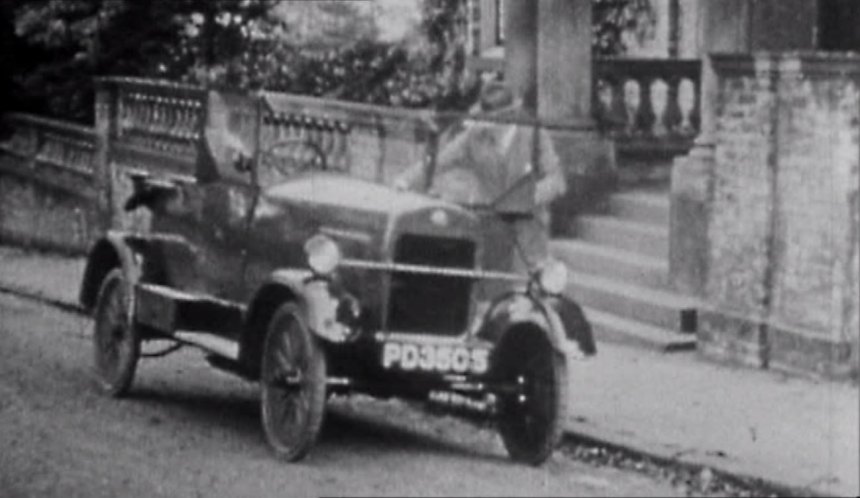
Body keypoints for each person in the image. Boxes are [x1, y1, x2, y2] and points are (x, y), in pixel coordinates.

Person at [394, 81, 567, 275]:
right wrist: (406, 180)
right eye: (484, 118)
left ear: (509, 117)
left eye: (491, 120)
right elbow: (440, 161)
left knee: (529, 294)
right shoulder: (474, 136)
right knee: (485, 286)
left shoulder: (535, 135)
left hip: (529, 232)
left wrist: (528, 197)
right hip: (490, 227)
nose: (485, 125)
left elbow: (557, 180)